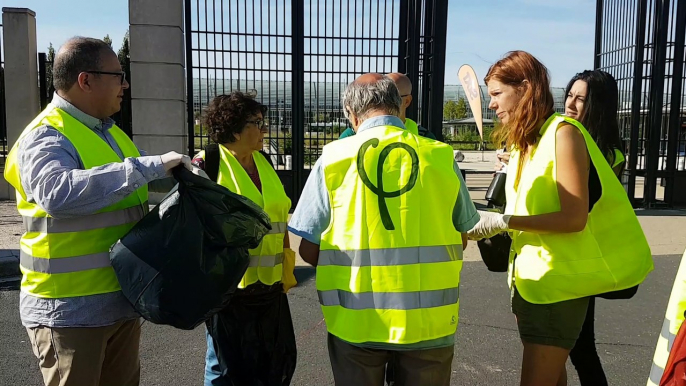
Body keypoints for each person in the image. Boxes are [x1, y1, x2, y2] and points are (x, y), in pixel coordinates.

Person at [3, 37, 191, 386]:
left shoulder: (110, 133)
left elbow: (131, 185)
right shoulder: (46, 136)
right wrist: (147, 166)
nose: (126, 84)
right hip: (70, 310)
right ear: (85, 80)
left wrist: (184, 173)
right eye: (118, 74)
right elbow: (58, 193)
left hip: (118, 302)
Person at [467, 51, 653, 386]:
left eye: (496, 94)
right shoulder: (529, 142)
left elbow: (572, 218)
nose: (491, 104)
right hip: (535, 282)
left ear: (525, 88)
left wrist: (505, 222)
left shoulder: (563, 133)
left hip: (558, 287)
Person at [288, 73, 479, 386]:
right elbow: (461, 237)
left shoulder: (333, 159)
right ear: (400, 107)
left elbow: (308, 248)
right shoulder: (441, 156)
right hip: (428, 325)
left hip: (356, 324)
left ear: (351, 113)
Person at [191, 91, 297, 386]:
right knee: (224, 367)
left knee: (271, 361)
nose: (265, 129)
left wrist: (287, 265)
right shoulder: (206, 164)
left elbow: (279, 217)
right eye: (257, 122)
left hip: (269, 285)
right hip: (228, 289)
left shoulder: (264, 163)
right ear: (234, 127)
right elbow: (193, 225)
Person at [564, 69, 626, 386]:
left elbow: (583, 205)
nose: (571, 105)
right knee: (570, 346)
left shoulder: (605, 152)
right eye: (570, 96)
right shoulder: (566, 139)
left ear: (598, 106)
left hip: (580, 257)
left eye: (581, 99)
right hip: (569, 255)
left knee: (579, 346)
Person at [338, 72, 436, 140]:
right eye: (377, 95)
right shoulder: (350, 135)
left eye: (392, 96)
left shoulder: (424, 136)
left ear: (407, 101)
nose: (382, 101)